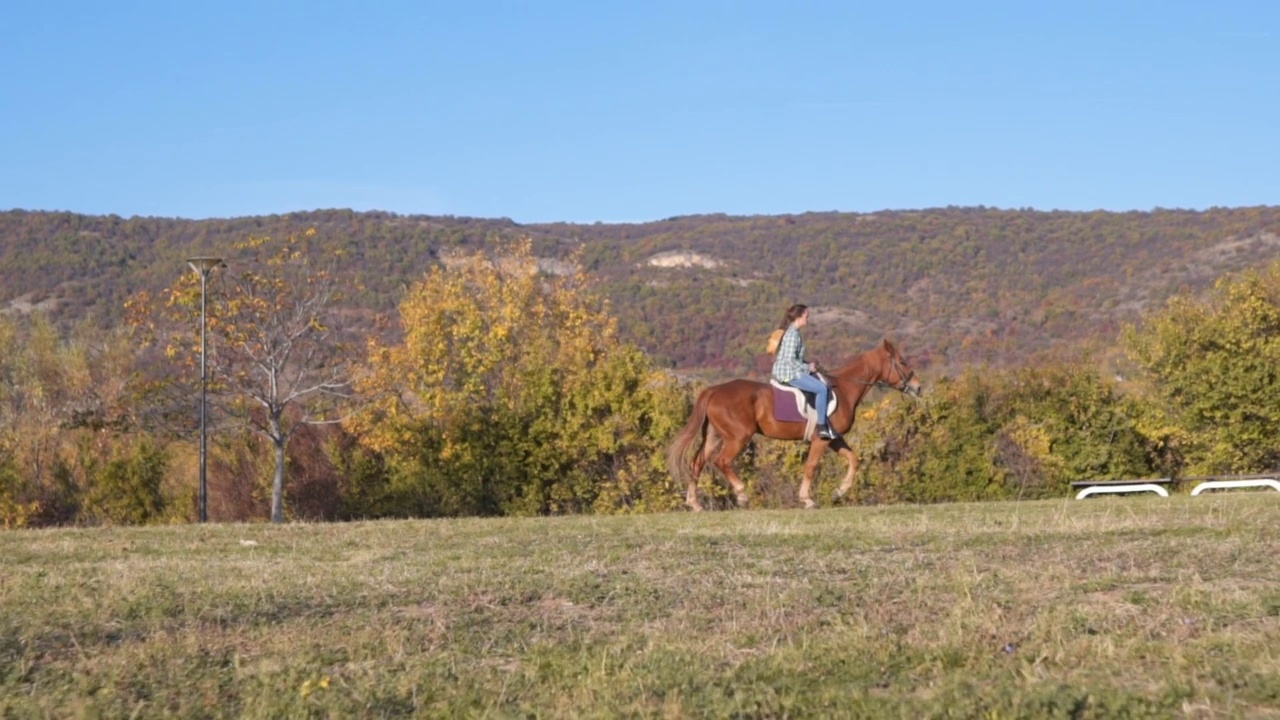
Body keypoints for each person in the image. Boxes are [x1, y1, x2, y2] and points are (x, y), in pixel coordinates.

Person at [770, 304, 837, 440]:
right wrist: (807, 368)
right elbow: (789, 360)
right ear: (799, 317)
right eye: (806, 316)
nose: (808, 318)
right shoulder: (793, 335)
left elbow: (795, 358)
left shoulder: (794, 333)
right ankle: (822, 426)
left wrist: (808, 364)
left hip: (792, 369)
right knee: (822, 389)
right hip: (788, 373)